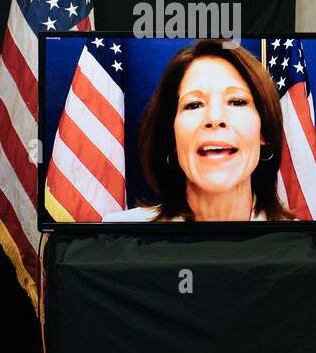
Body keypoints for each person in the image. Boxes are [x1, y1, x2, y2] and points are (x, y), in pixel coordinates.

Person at [104, 39, 293, 222]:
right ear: (172, 137)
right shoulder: (114, 239)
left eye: (236, 101)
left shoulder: (303, 243)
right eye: (194, 104)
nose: (214, 118)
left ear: (264, 132)